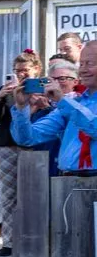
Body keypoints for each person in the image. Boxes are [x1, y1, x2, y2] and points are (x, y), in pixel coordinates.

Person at [0, 50, 42, 257]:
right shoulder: (7, 90)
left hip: (36, 146)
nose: (21, 75)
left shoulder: (44, 88)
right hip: (7, 146)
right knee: (9, 195)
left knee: (36, 196)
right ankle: (9, 241)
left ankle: (35, 238)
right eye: (17, 71)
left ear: (36, 69)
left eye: (25, 70)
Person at [10, 42, 97, 178]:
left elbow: (94, 128)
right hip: (68, 181)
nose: (83, 70)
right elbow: (28, 138)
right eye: (82, 64)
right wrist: (21, 108)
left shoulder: (68, 104)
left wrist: (62, 100)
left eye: (90, 64)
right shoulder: (74, 101)